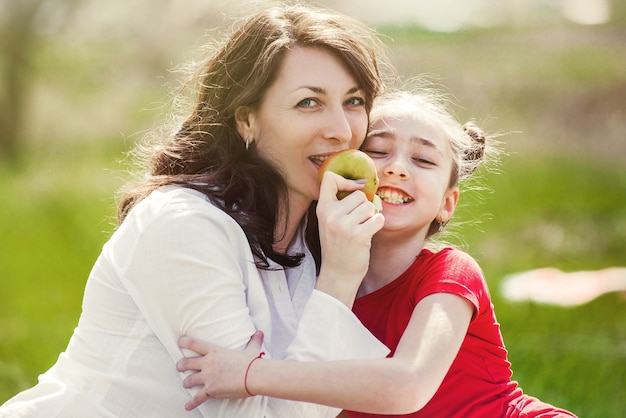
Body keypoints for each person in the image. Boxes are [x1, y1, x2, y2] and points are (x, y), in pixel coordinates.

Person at [0, 4, 394, 417]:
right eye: (309, 103)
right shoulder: (184, 227)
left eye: (354, 101)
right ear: (246, 120)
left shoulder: (322, 236)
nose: (342, 130)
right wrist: (339, 277)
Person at [175, 87, 578, 417]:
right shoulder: (314, 282)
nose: (396, 168)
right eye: (377, 151)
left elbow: (407, 385)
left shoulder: (449, 273)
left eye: (422, 160)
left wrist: (249, 375)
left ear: (447, 204)